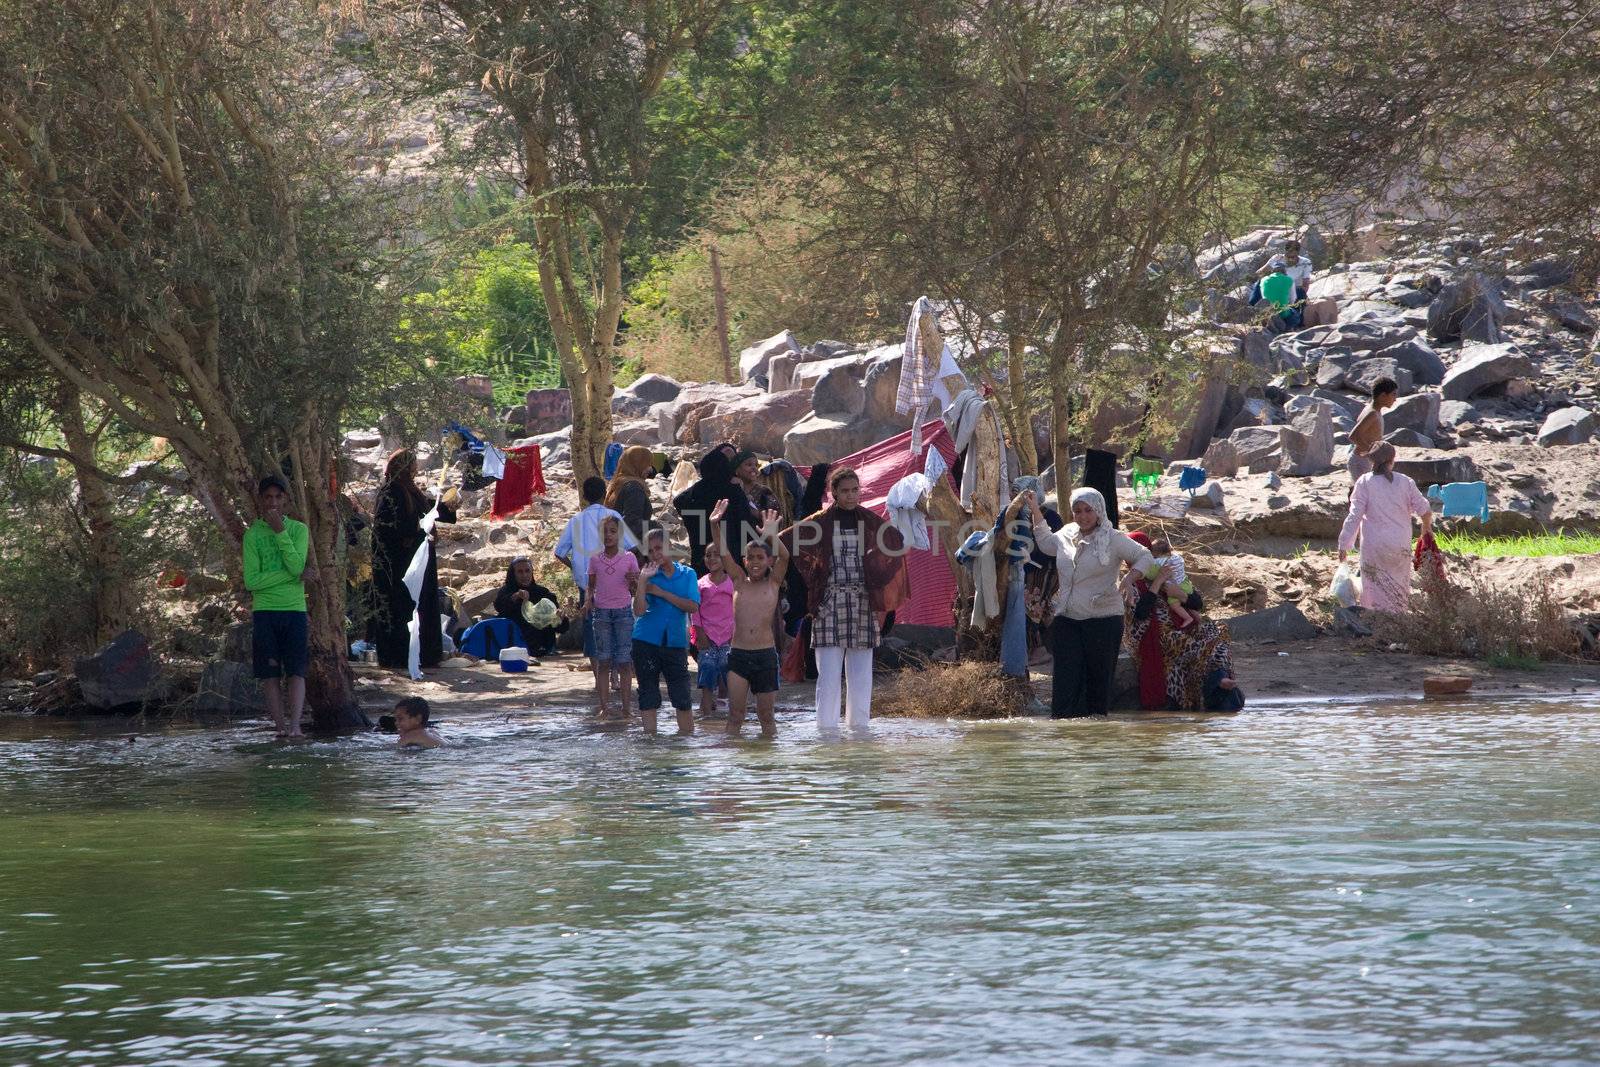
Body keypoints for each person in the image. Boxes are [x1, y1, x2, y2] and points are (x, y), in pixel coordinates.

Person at [783, 466, 907, 736]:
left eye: (855, 490)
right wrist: (815, 577)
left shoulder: (871, 521)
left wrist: (877, 579)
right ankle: (825, 734)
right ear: (834, 493)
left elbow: (896, 545)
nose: (852, 495)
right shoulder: (820, 522)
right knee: (827, 676)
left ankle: (860, 733)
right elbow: (787, 540)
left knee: (861, 676)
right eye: (845, 491)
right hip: (829, 602)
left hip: (863, 602)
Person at [1027, 486, 1159, 718]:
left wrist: (1129, 579)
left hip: (1103, 619)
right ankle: (1066, 740)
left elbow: (1145, 557)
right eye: (1077, 511)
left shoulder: (1114, 538)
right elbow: (1046, 542)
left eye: (1088, 510)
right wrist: (1034, 509)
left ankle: (1096, 742)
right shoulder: (1066, 534)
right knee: (1065, 684)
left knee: (1097, 686)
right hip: (1067, 617)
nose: (1083, 516)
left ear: (1098, 510)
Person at [1124, 532, 1243, 712]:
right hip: (1156, 634)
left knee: (1216, 632)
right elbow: (1140, 615)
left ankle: (1220, 679)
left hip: (1183, 626)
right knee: (1195, 645)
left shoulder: (1166, 567)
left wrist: (1178, 593)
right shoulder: (1130, 583)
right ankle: (1219, 682)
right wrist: (1157, 584)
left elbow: (1197, 603)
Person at [710, 500, 790, 739]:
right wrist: (714, 525)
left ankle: (767, 764)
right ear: (744, 561)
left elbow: (785, 557)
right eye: (750, 558)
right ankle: (734, 768)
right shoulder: (737, 581)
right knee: (735, 715)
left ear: (769, 562)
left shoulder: (773, 583)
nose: (755, 562)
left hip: (765, 655)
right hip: (739, 655)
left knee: (766, 715)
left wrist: (771, 536)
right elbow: (723, 552)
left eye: (760, 557)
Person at [371, 449, 457, 670]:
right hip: (399, 566)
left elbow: (431, 509)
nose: (414, 469)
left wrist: (449, 506)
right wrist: (418, 532)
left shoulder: (411, 491)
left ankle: (425, 655)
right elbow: (387, 528)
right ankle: (399, 657)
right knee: (402, 609)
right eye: (410, 465)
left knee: (422, 606)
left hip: (417, 561)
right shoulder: (390, 493)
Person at [243, 475, 311, 739]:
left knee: (296, 670)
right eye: (268, 497)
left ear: (286, 500)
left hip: (294, 609)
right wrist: (297, 575)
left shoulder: (298, 530)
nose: (273, 502)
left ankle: (295, 726)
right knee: (269, 674)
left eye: (278, 497)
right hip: (265, 611)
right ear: (261, 500)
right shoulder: (253, 535)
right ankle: (280, 727)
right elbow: (252, 581)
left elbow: (296, 565)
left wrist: (280, 531)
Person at [1338, 442, 1434, 614]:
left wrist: (1344, 544)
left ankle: (1375, 622)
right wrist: (1426, 530)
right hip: (1400, 543)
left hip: (1374, 546)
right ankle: (1398, 621)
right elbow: (1425, 510)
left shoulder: (1364, 482)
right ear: (1392, 460)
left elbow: (1355, 516)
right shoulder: (1406, 482)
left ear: (1371, 461)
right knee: (1399, 584)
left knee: (1373, 586)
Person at [555, 475, 638, 665]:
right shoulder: (614, 517)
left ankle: (597, 675)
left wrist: (575, 566)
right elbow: (631, 547)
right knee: (618, 627)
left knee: (592, 629)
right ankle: (616, 673)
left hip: (587, 584)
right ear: (605, 494)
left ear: (584, 496)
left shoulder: (576, 520)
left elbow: (559, 553)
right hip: (616, 585)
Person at [631, 528, 701, 736]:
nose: (655, 554)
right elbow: (639, 611)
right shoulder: (648, 575)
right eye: (651, 551)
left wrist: (661, 593)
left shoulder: (687, 574)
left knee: (682, 696)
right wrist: (642, 582)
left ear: (670, 547)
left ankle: (685, 741)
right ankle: (650, 741)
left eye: (659, 548)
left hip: (676, 643)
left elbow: (692, 606)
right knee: (648, 694)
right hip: (645, 641)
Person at [582, 516, 640, 721]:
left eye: (613, 531)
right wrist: (588, 600)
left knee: (625, 661)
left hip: (624, 612)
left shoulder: (630, 558)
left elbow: (636, 588)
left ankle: (626, 707)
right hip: (602, 614)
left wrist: (634, 581)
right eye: (605, 532)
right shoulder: (595, 559)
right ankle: (604, 707)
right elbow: (590, 585)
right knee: (604, 661)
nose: (608, 535)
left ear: (620, 534)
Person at [672, 446, 754, 573]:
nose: (730, 460)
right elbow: (746, 525)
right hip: (728, 555)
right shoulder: (732, 489)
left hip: (708, 554)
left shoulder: (699, 489)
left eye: (733, 457)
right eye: (727, 455)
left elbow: (679, 501)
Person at [692, 540, 735, 720]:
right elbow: (695, 611)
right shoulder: (701, 584)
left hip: (728, 635)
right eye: (708, 555)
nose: (711, 558)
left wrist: (735, 635)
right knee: (707, 666)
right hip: (706, 635)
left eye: (716, 554)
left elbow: (737, 609)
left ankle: (727, 702)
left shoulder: (732, 583)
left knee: (727, 666)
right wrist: (700, 634)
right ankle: (706, 707)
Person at [493, 557, 568, 657]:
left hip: (543, 649)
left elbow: (561, 628)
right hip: (515, 648)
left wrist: (561, 619)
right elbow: (499, 607)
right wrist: (515, 597)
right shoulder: (506, 592)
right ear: (513, 574)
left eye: (527, 571)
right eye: (520, 572)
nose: (524, 575)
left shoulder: (543, 593)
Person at [1348, 377, 1400, 483]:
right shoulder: (1372, 413)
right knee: (1364, 493)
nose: (1395, 399)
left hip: (1364, 460)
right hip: (1360, 461)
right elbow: (1353, 436)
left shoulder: (1374, 410)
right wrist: (1372, 454)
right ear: (1383, 396)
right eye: (1393, 394)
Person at [604, 444, 656, 544]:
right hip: (629, 549)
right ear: (637, 464)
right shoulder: (634, 488)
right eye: (647, 464)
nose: (650, 469)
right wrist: (655, 526)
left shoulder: (619, 482)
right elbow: (632, 523)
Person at [1145, 536, 1196, 629]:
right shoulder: (1176, 557)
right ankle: (1197, 617)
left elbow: (1150, 574)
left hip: (1174, 587)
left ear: (1157, 554)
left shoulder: (1159, 561)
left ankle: (1188, 618)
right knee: (1191, 604)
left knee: (1174, 604)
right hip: (1185, 583)